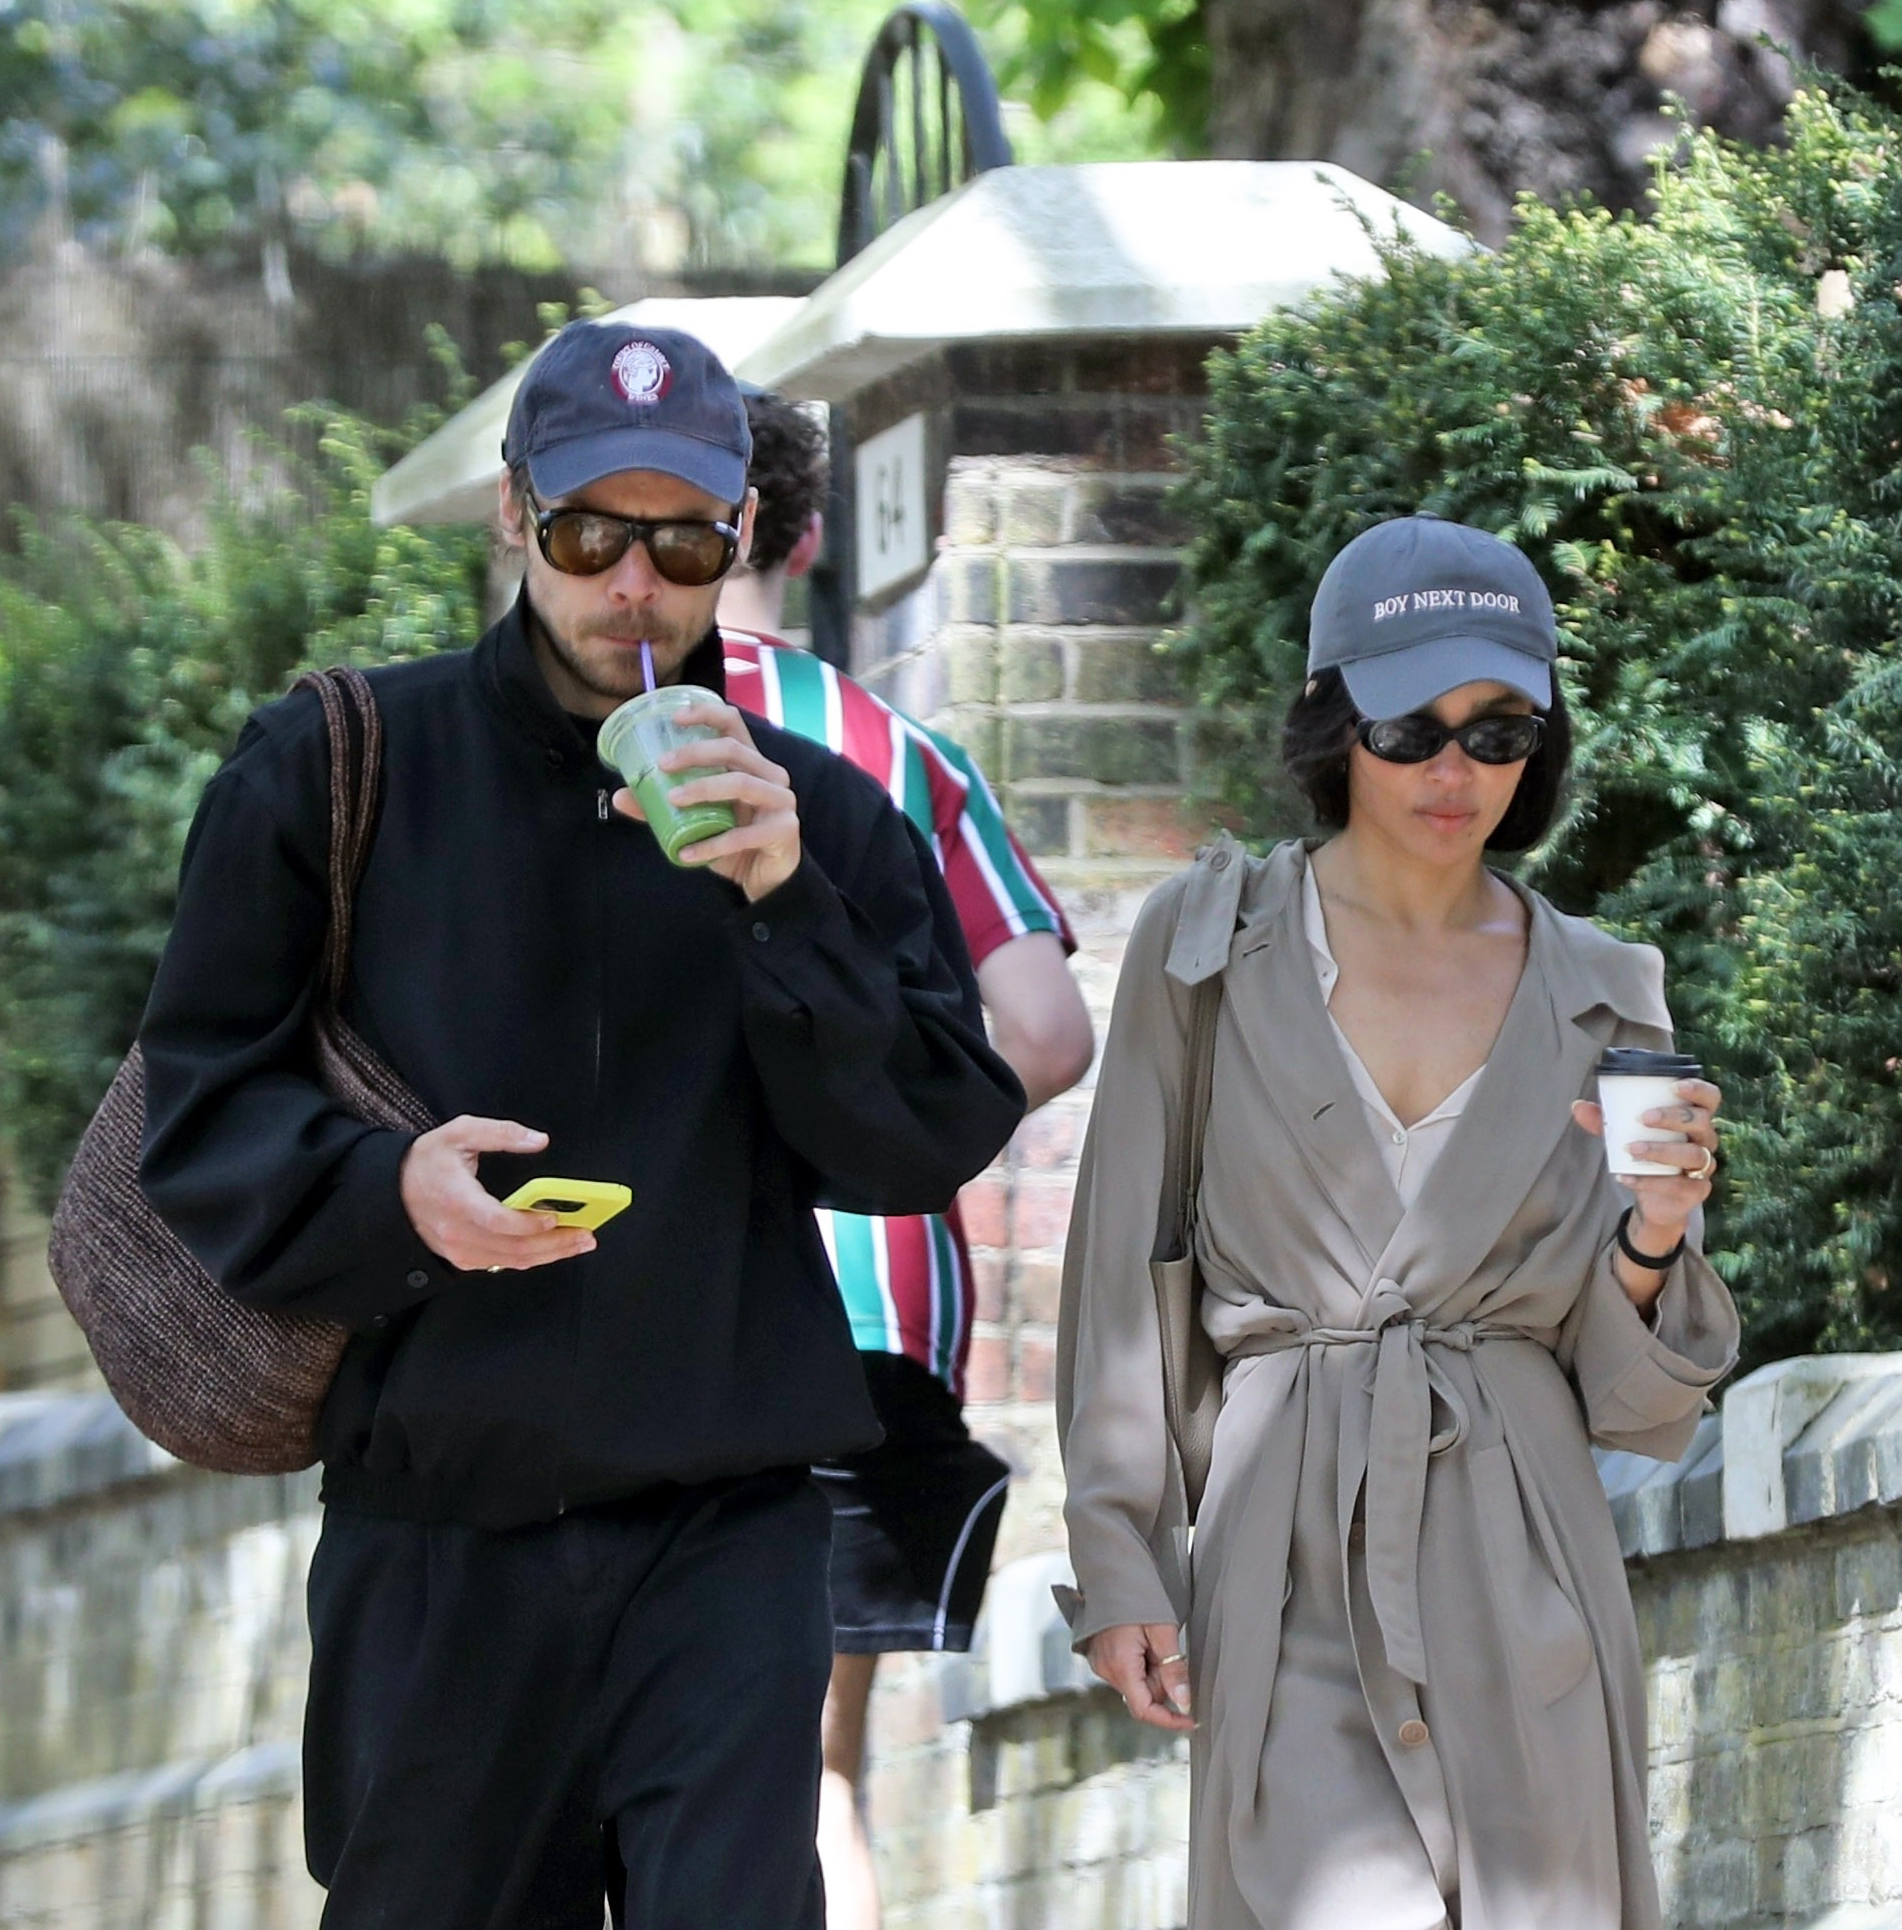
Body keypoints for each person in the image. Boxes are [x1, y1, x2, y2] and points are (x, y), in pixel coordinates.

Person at [135, 320, 1026, 1930]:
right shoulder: (335, 764)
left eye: (681, 536)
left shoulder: (816, 811)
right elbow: (200, 1111)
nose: (634, 582)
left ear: (737, 538)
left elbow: (918, 1138)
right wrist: (389, 1190)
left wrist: (784, 898)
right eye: (587, 532)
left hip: (728, 1528)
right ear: (512, 518)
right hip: (440, 1536)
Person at [1056, 515, 1741, 1930]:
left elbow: (1630, 1403)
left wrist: (1657, 1234)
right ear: (1330, 718)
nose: (1453, 770)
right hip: (1282, 1543)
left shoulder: (1606, 991)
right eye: (1408, 724)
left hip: (1522, 1560)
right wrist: (1122, 1554)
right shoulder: (1208, 948)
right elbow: (1122, 1277)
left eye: (1497, 733)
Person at [716, 388, 1093, 1930]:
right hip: (879, 1318)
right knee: (815, 1776)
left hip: (655, 1317)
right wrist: (865, 1107)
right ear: (805, 537)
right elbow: (1050, 1033)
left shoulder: (568, 724)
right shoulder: (894, 747)